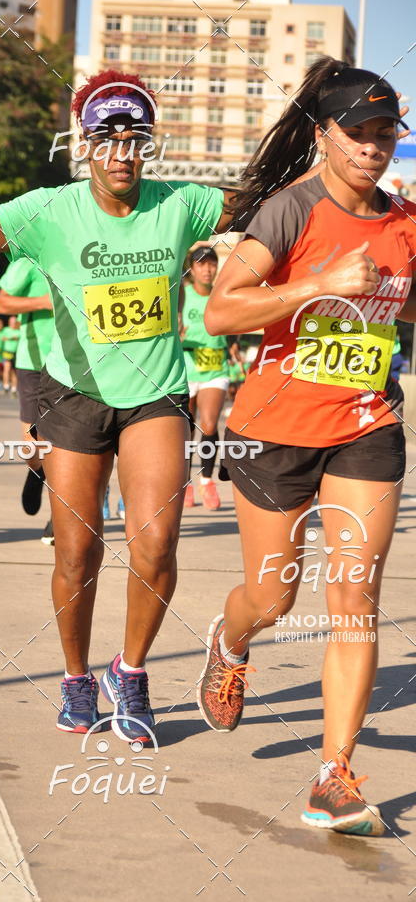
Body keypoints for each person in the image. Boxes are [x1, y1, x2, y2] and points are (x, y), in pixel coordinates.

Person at [0, 69, 239, 743]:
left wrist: (324, 142)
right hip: (73, 396)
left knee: (157, 544)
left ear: (147, 146)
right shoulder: (49, 211)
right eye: (107, 140)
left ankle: (130, 671)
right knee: (77, 553)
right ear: (85, 145)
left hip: (155, 395)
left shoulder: (182, 203)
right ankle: (75, 677)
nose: (121, 153)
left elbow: (265, 202)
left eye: (134, 140)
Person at [196, 58, 416, 836]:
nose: (371, 146)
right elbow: (222, 311)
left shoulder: (406, 223)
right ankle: (230, 643)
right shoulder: (290, 211)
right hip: (275, 429)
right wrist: (319, 284)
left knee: (355, 595)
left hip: (366, 426)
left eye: (384, 132)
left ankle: (333, 775)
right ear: (324, 135)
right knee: (273, 597)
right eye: (357, 132)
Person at [0, 257, 54, 542]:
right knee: (32, 447)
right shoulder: (29, 262)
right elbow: (2, 304)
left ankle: (60, 517)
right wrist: (45, 302)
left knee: (71, 447)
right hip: (34, 363)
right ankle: (37, 471)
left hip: (79, 365)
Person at [180, 245, 240, 510]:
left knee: (209, 424)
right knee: (186, 428)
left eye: (212, 264)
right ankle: (185, 483)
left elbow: (235, 322)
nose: (207, 269)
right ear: (192, 269)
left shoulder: (221, 295)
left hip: (215, 368)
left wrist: (234, 343)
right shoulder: (182, 294)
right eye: (201, 264)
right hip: (186, 367)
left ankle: (206, 480)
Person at [1, 315, 21, 396]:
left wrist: (10, 338)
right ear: (9, 322)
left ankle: (14, 388)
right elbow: (3, 338)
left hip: (16, 353)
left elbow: (19, 338)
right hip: (7, 352)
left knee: (14, 371)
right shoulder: (6, 330)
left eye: (14, 322)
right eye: (11, 322)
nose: (13, 324)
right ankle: (6, 386)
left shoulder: (19, 331)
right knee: (7, 369)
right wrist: (11, 338)